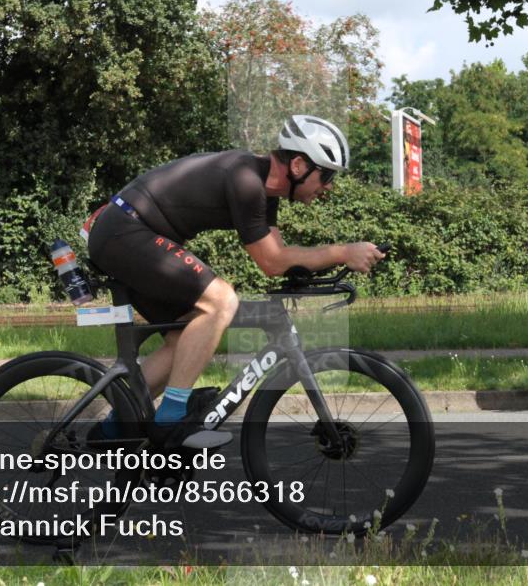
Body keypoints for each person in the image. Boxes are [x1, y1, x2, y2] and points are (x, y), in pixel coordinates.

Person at [86, 115, 385, 448]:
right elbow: (272, 260)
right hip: (125, 231)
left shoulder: (263, 191)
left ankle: (115, 428)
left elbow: (278, 258)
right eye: (326, 175)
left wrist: (319, 269)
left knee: (183, 338)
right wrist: (343, 252)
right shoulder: (246, 180)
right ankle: (170, 423)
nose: (328, 186)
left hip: (129, 233)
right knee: (221, 300)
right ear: (299, 164)